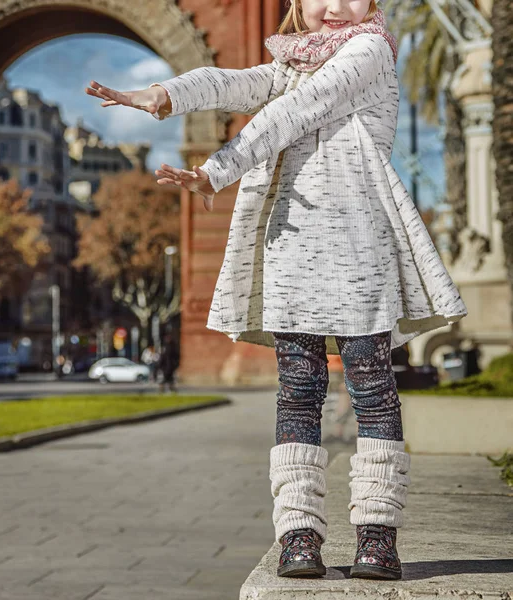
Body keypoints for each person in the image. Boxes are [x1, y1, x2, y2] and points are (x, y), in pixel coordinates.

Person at [86, 0, 468, 581]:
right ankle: (298, 536)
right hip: (289, 249)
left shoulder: (367, 51)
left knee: (371, 386)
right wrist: (161, 95)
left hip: (357, 248)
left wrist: (218, 168)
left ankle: (376, 536)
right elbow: (233, 81)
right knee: (297, 390)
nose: (336, 8)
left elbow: (296, 110)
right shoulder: (291, 62)